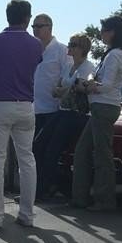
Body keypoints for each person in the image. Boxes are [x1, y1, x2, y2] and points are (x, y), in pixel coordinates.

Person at [0, 0, 44, 229]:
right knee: (27, 160)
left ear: (7, 16)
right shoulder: (35, 44)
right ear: (27, 18)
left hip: (0, 105)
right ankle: (27, 215)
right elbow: (34, 65)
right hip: (26, 105)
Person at [71, 15, 122, 211]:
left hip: (104, 107)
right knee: (83, 151)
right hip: (101, 107)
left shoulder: (115, 55)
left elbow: (108, 84)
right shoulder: (112, 53)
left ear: (112, 32)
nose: (101, 34)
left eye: (104, 30)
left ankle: (104, 200)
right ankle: (80, 197)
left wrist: (89, 87)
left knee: (102, 154)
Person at [36, 33, 96, 201]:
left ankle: (43, 190)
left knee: (52, 150)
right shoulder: (69, 67)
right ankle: (52, 184)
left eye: (73, 44)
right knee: (38, 144)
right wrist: (65, 90)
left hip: (76, 115)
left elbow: (76, 89)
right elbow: (59, 89)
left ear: (82, 48)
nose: (69, 46)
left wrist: (65, 90)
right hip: (63, 111)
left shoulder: (87, 67)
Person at [31, 13, 70, 137]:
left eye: (39, 26)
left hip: (52, 110)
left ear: (50, 27)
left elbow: (68, 78)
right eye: (33, 26)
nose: (35, 29)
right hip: (31, 110)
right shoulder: (30, 50)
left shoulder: (62, 50)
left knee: (45, 150)